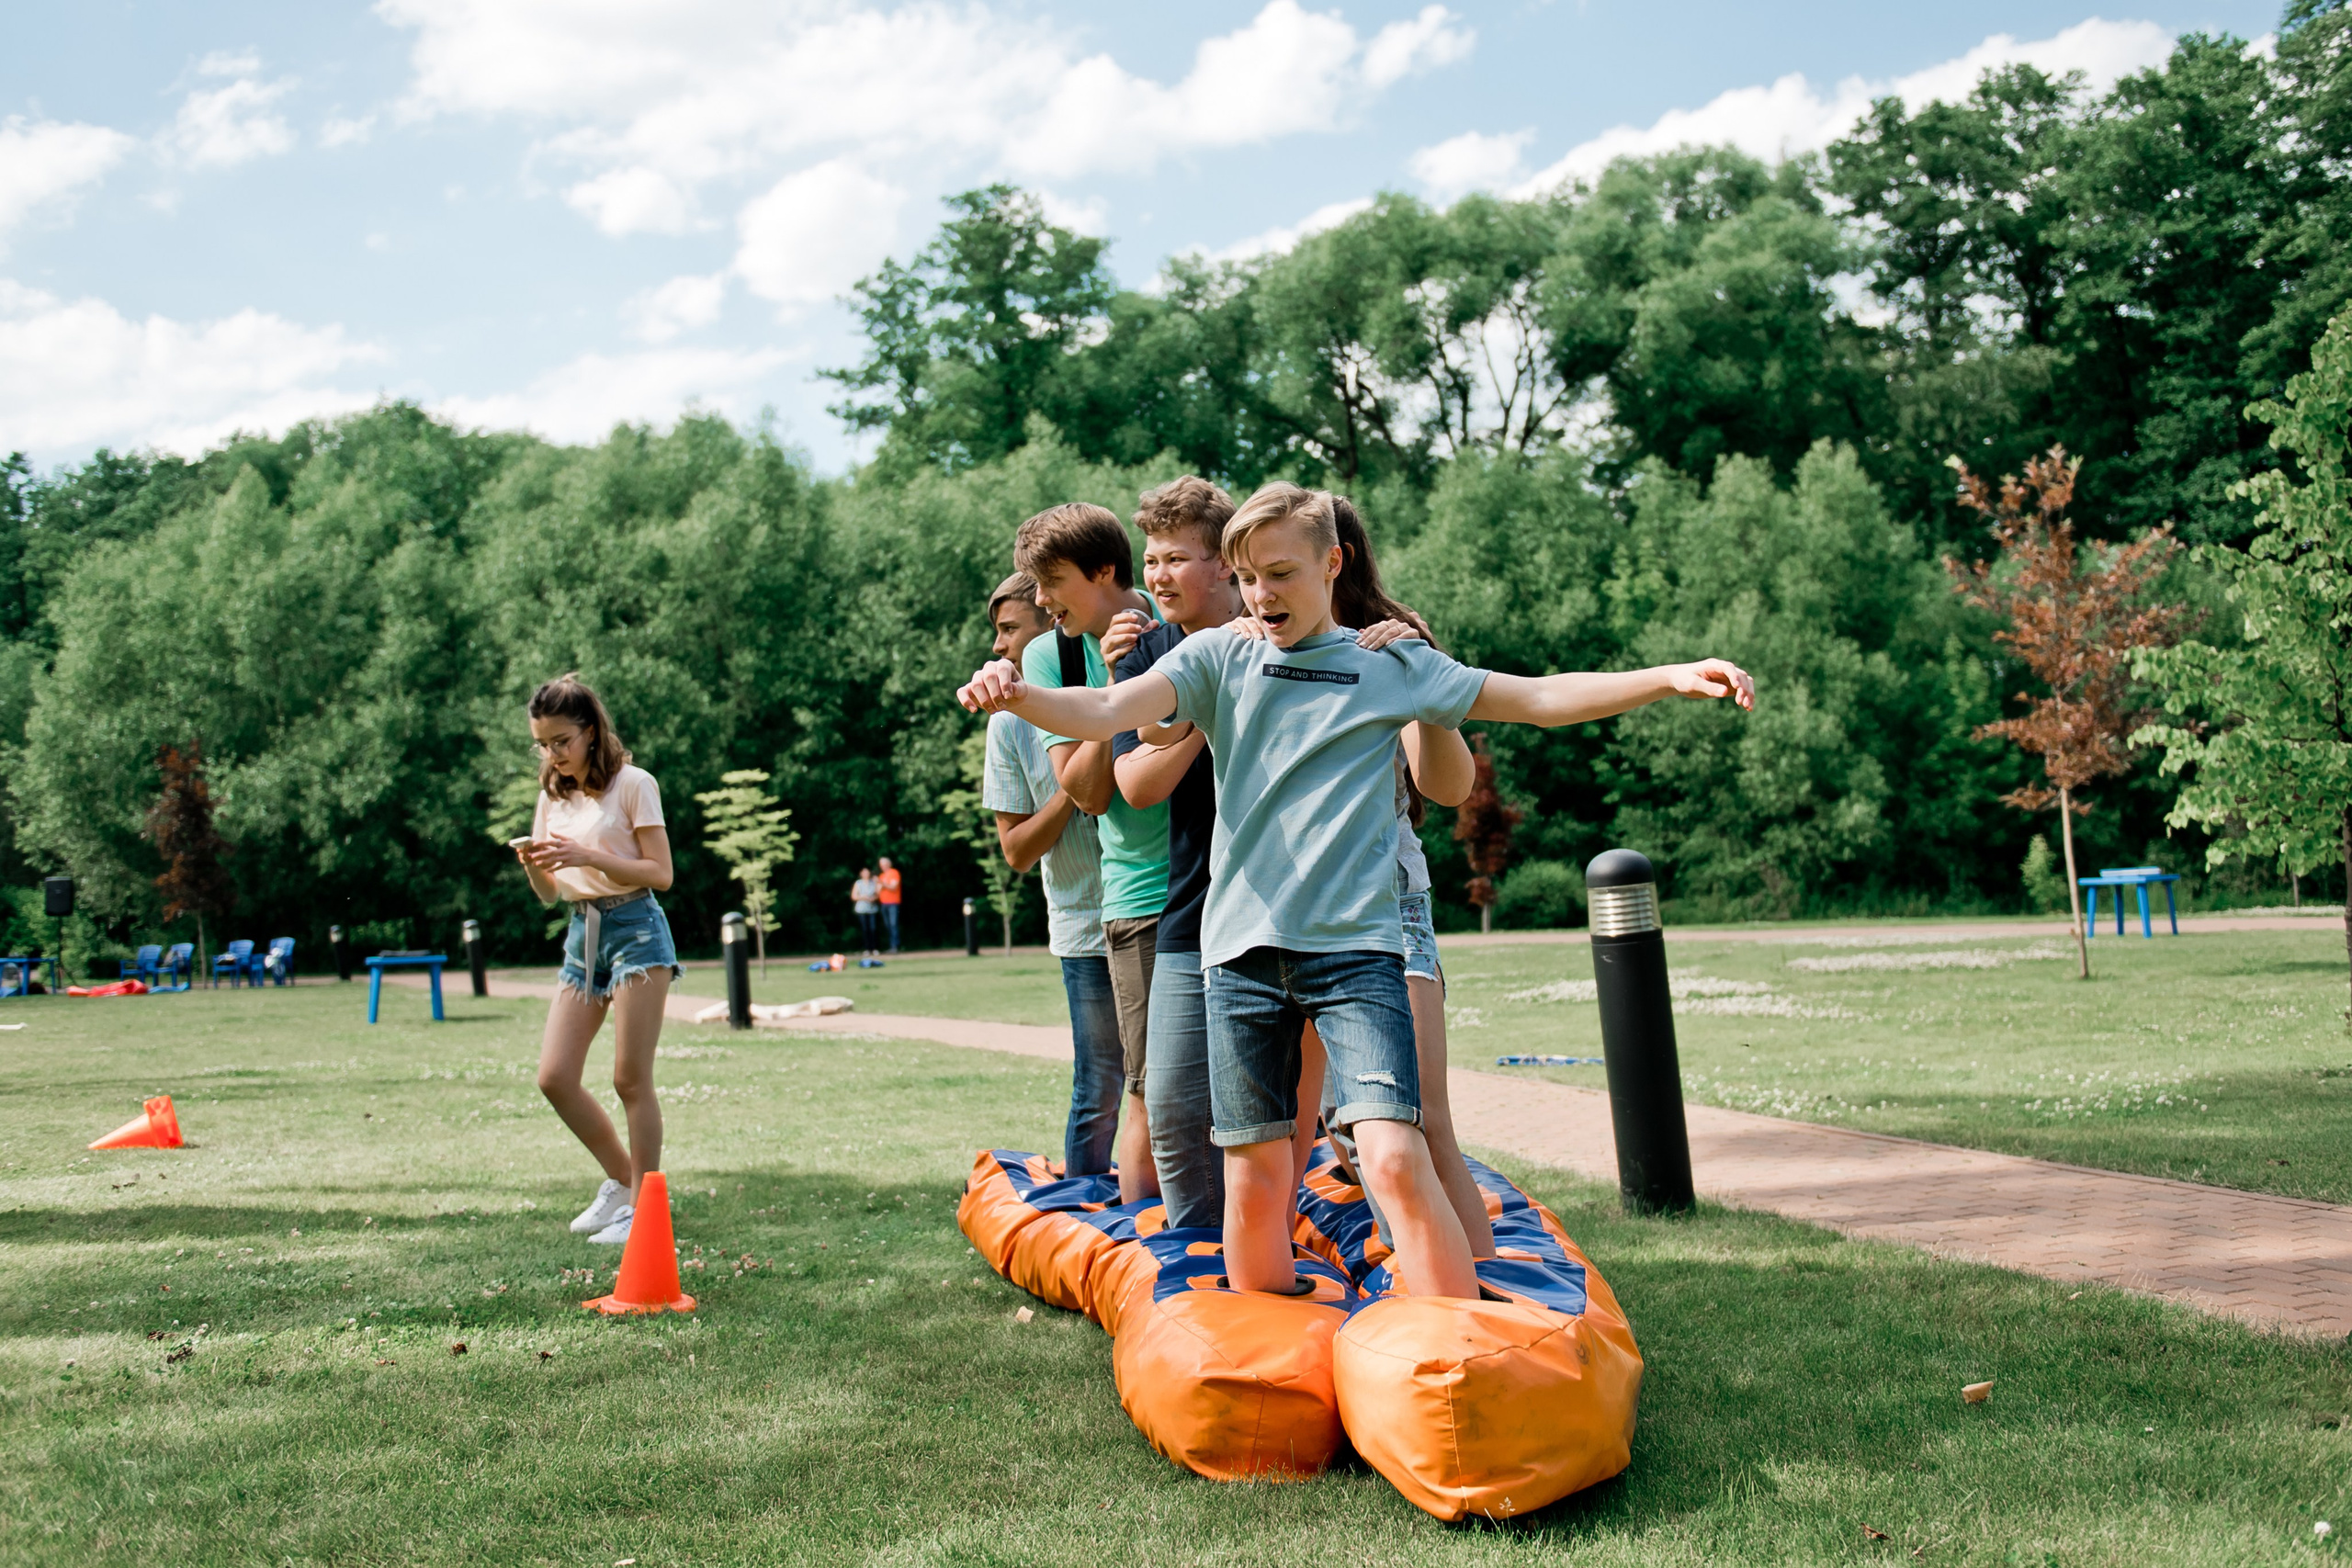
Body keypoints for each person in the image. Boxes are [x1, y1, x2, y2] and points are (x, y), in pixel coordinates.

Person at [956, 482, 1754, 1298]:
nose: (1264, 595)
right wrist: (1019, 693)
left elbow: (1538, 696)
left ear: (1332, 564)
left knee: (1395, 1155)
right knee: (1258, 1177)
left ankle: (1458, 1338)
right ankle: (1267, 1348)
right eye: (1249, 577)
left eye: (1282, 573)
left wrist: (1667, 676)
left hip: (1356, 957)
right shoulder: (1217, 657)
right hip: (1242, 960)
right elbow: (1107, 707)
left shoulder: (1389, 662)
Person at [1100, 476, 1244, 1231]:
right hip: (1189, 910)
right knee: (1177, 1116)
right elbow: (1136, 784)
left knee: (1281, 1121)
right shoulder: (1143, 654)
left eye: (1175, 559)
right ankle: (1197, 1284)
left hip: (1290, 910)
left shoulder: (1279, 629)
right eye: (1150, 560)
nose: (1156, 577)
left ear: (1225, 562)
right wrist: (1196, 700)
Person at [1012, 503, 1168, 1205]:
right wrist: (1112, 692)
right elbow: (1087, 792)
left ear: (1105, 571)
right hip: (1132, 894)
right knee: (1136, 1085)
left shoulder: (1181, 620)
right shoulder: (1055, 653)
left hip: (1222, 882)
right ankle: (1140, 1247)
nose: (1040, 599)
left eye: (1051, 581)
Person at [514, 673, 682, 1248]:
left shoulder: (635, 784)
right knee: (554, 1077)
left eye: (561, 740)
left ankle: (645, 1206)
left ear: (590, 732)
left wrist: (589, 853)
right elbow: (551, 893)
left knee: (629, 1079)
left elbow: (660, 873)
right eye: (543, 743)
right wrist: (535, 865)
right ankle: (621, 1180)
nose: (552, 754)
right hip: (582, 933)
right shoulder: (551, 795)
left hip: (636, 927)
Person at [977, 571, 1122, 1178]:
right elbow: (1015, 851)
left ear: (1052, 626)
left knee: (1163, 1083)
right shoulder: (1007, 726)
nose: (999, 646)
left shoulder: (1119, 687)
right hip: (1082, 926)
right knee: (1100, 1086)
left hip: (1155, 909)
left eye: (1011, 629)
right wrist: (1074, 786)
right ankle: (1086, 1208)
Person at [850, 867, 881, 957]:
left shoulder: (873, 882)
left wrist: (873, 898)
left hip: (872, 909)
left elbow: (877, 894)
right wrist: (863, 897)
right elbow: (854, 896)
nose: (866, 874)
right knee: (865, 929)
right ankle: (867, 949)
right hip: (862, 909)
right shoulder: (858, 883)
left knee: (873, 929)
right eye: (864, 873)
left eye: (867, 872)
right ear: (861, 874)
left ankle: (875, 948)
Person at [876, 857, 903, 953]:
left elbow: (893, 887)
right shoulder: (881, 876)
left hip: (893, 903)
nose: (882, 866)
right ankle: (892, 946)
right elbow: (878, 891)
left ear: (888, 864)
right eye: (881, 864)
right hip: (884, 903)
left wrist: (883, 884)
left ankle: (895, 946)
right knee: (887, 925)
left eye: (883, 864)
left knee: (893, 924)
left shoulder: (894, 873)